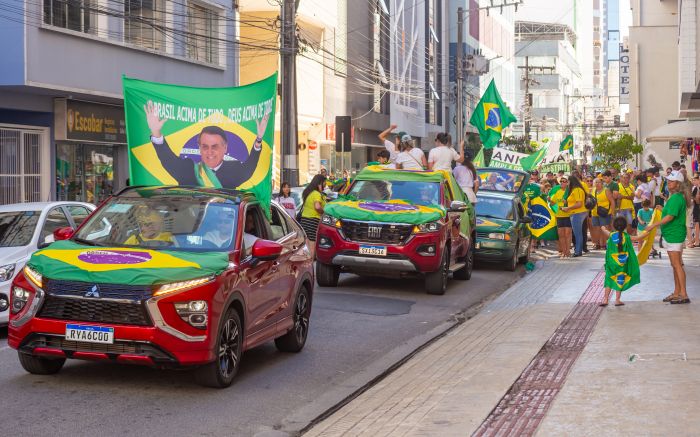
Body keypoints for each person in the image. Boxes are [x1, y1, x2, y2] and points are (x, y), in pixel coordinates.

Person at [144, 101, 270, 188]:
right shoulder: (187, 170)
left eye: (215, 147)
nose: (209, 152)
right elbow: (168, 159)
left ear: (225, 148)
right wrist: (156, 132)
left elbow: (249, 167)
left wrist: (259, 139)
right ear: (199, 148)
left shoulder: (234, 170)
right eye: (205, 146)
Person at [645, 171, 689, 304]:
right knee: (675, 265)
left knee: (677, 265)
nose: (669, 183)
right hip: (673, 234)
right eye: (668, 180)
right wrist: (662, 208)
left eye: (672, 181)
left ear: (678, 184)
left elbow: (670, 217)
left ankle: (683, 294)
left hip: (674, 235)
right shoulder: (675, 197)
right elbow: (670, 212)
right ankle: (677, 292)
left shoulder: (676, 198)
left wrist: (653, 225)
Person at [599, 216, 645, 307]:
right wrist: (648, 232)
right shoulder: (627, 236)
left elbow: (604, 231)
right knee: (620, 279)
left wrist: (603, 227)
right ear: (625, 227)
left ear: (614, 226)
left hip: (612, 263)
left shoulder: (611, 235)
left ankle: (605, 299)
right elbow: (638, 238)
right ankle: (617, 300)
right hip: (622, 263)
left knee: (609, 279)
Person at [561, 174, 588, 257]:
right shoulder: (575, 189)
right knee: (578, 233)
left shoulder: (577, 190)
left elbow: (579, 203)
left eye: (567, 181)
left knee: (577, 234)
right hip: (576, 213)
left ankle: (578, 251)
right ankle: (578, 250)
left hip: (577, 213)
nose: (567, 183)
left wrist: (568, 208)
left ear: (571, 181)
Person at [300, 174, 327, 258]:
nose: (325, 184)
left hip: (304, 220)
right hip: (313, 221)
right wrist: (324, 212)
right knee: (312, 247)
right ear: (320, 183)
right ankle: (310, 264)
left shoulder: (308, 192)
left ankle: (306, 264)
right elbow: (317, 207)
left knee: (307, 247)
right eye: (324, 182)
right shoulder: (317, 194)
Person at [550, 177, 572, 258]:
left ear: (567, 183)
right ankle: (563, 251)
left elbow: (573, 202)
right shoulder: (557, 191)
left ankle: (568, 251)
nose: (562, 182)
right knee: (561, 234)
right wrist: (550, 201)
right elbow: (553, 204)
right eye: (561, 181)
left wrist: (567, 203)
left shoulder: (569, 192)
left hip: (568, 215)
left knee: (567, 233)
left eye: (564, 181)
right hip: (559, 216)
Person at [591, 178, 614, 250]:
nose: (597, 184)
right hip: (595, 212)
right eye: (596, 182)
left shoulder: (606, 190)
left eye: (599, 182)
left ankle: (605, 244)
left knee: (604, 229)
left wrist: (612, 212)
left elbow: (612, 202)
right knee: (596, 229)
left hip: (605, 212)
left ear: (602, 183)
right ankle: (598, 244)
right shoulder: (593, 190)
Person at [692, 175, 700, 247]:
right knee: (696, 225)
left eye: (695, 180)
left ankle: (697, 241)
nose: (693, 181)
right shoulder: (695, 188)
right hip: (696, 208)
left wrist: (694, 198)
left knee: (697, 225)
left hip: (697, 208)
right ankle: (696, 239)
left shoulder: (697, 188)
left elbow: (697, 201)